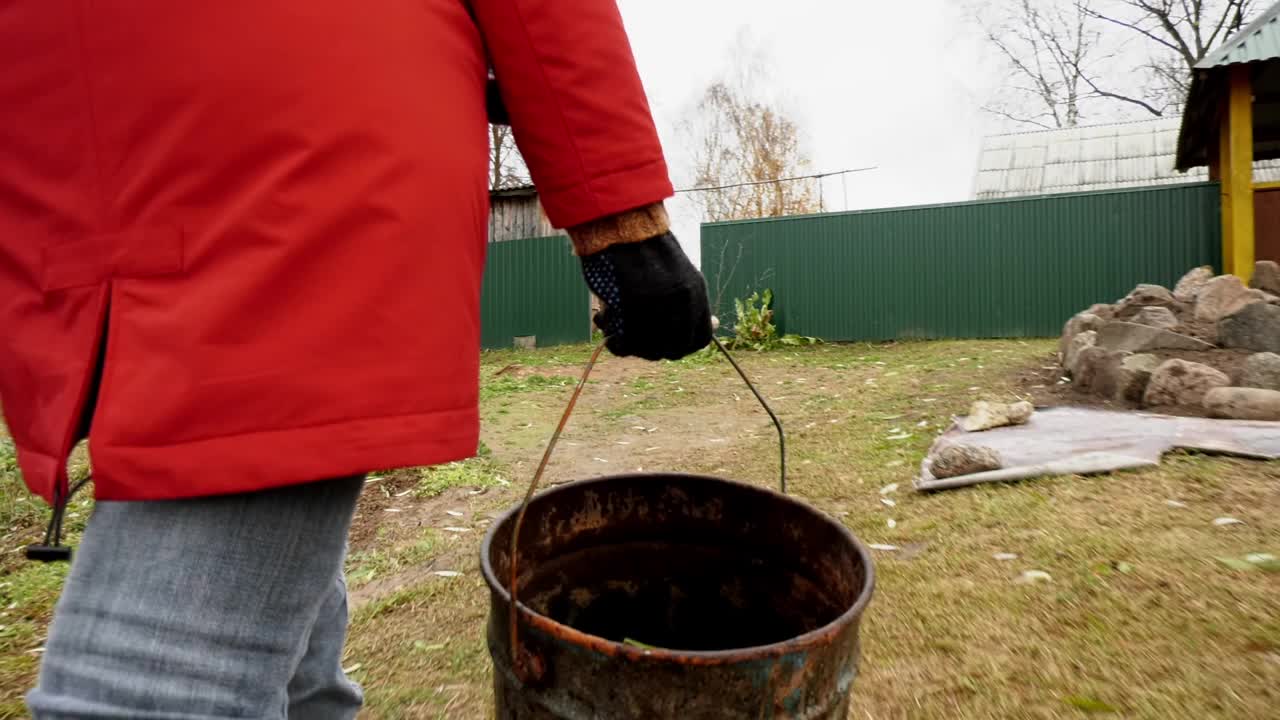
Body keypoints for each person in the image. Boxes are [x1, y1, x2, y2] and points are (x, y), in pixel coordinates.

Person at [0, 2, 711, 717]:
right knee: (297, 678)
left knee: (145, 690)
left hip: (285, 175)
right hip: (86, 192)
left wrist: (623, 220)